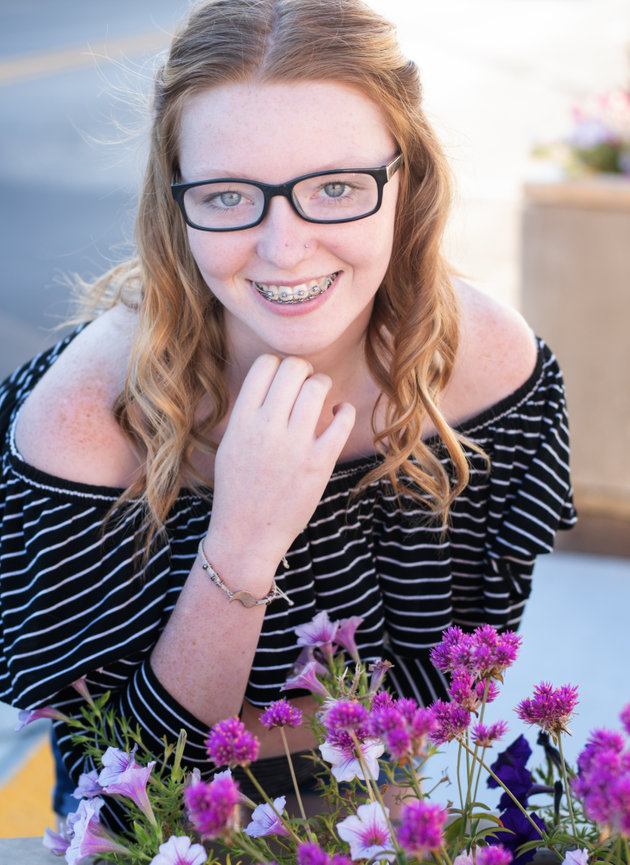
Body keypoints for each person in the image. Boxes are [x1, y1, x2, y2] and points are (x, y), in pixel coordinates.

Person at [0, 0, 576, 831]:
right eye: (230, 195)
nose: (284, 246)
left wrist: (363, 819)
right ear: (178, 202)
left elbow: (450, 687)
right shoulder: (88, 422)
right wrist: (243, 538)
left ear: (403, 179)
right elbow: (121, 791)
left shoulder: (487, 374)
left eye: (336, 188)